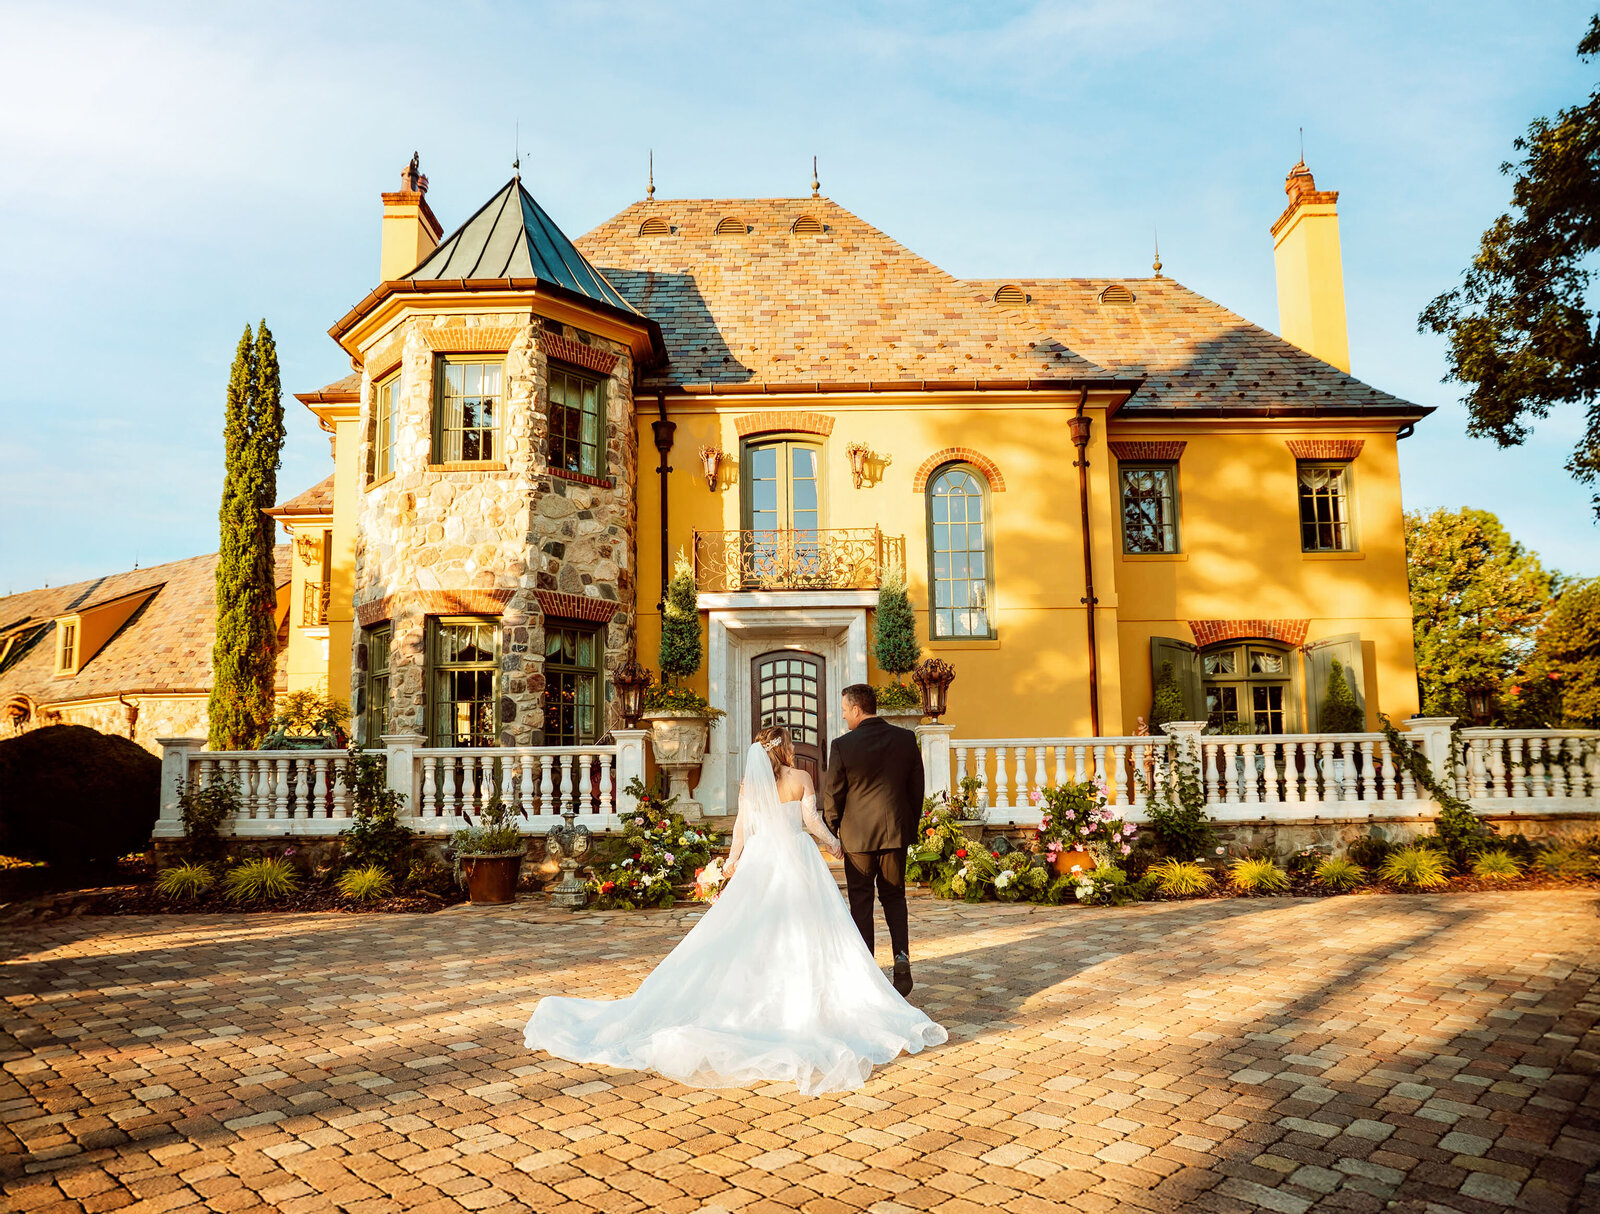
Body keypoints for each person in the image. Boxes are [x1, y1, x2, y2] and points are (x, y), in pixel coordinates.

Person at [523, 726, 946, 1095]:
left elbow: (743, 827)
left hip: (762, 859)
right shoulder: (801, 777)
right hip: (798, 859)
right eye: (790, 745)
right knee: (810, 931)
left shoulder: (750, 784)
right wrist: (834, 844)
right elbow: (812, 822)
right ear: (785, 749)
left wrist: (730, 863)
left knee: (752, 931)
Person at [821, 684, 925, 995]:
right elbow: (916, 788)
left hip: (857, 838)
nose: (843, 716)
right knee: (895, 897)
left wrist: (834, 829)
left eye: (844, 710)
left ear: (856, 709)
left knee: (861, 903)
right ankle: (901, 958)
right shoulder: (905, 739)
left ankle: (866, 969)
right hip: (894, 833)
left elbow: (833, 794)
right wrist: (907, 827)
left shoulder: (842, 745)